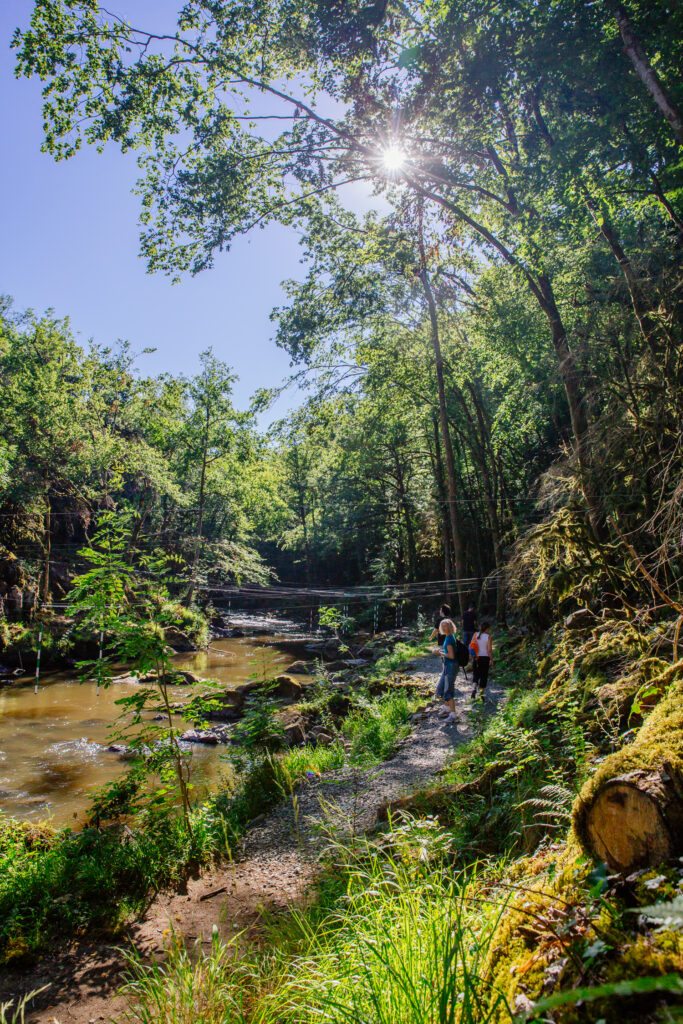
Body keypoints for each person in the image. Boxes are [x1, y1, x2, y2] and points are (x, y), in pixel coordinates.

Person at [434, 618, 458, 725]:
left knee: (448, 689)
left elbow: (451, 656)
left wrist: (440, 653)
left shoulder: (449, 639)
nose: (444, 628)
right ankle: (446, 708)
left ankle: (453, 715)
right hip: (448, 666)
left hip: (451, 666)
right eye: (442, 626)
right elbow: (449, 652)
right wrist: (442, 651)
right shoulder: (449, 637)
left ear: (450, 627)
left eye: (446, 626)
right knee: (441, 687)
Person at [471, 622, 493, 699]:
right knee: (484, 675)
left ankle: (474, 688)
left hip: (476, 658)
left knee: (476, 674)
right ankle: (481, 693)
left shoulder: (475, 634)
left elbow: (471, 646)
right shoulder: (488, 637)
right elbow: (489, 650)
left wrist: (472, 657)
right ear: (487, 628)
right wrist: (491, 659)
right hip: (485, 658)